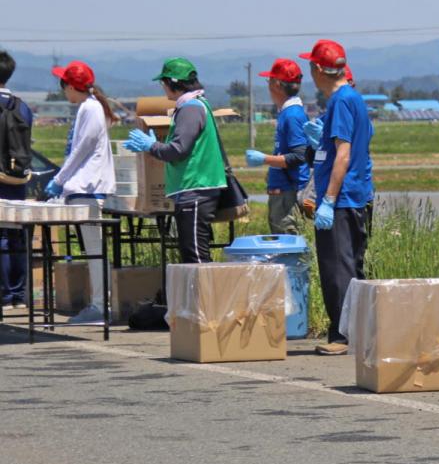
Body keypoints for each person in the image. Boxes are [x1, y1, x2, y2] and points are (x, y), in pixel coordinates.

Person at [300, 40, 373, 356]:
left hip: (342, 199)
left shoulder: (341, 101)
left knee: (337, 269)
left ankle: (342, 336)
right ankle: (357, 331)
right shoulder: (353, 99)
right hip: (356, 194)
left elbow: (343, 154)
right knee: (351, 266)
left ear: (318, 69)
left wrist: (328, 200)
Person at [123, 58, 228, 264]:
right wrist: (154, 146)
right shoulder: (197, 104)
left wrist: (151, 146)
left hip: (195, 188)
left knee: (195, 256)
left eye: (163, 83)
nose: (163, 88)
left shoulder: (190, 108)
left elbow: (178, 150)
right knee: (192, 253)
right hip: (195, 188)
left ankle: (204, 287)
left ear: (172, 83)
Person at [45, 60, 116, 323]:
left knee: (95, 251)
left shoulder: (90, 108)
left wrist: (59, 178)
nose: (63, 91)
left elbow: (81, 149)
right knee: (93, 250)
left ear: (72, 87)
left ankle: (100, 305)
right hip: (84, 188)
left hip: (87, 188)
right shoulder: (90, 107)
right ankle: (99, 304)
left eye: (64, 86)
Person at [244, 58, 310, 235]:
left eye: (269, 81)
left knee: (288, 242)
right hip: (283, 192)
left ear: (277, 85)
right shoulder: (287, 113)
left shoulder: (292, 116)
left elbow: (299, 156)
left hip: (288, 195)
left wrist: (265, 159)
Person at [0, 49, 34, 308]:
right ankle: (19, 295)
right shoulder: (22, 106)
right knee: (17, 235)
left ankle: (4, 294)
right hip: (18, 179)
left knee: (1, 237)